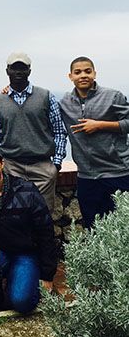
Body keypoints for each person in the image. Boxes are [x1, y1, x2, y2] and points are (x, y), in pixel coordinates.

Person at [0, 145, 58, 314]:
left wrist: (47, 275)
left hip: (25, 253)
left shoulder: (26, 190)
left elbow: (45, 232)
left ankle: (26, 285)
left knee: (21, 302)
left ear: (2, 163)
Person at [0, 52, 67, 213]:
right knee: (13, 215)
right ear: (7, 71)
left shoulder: (46, 96)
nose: (18, 72)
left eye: (22, 68)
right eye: (14, 68)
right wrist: (1, 166)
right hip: (11, 167)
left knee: (43, 215)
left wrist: (56, 164)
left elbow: (59, 131)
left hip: (42, 166)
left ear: (29, 71)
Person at [59, 56, 129, 228]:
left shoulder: (113, 96)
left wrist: (100, 125)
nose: (83, 75)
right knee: (92, 227)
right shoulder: (64, 103)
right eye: (78, 72)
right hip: (87, 176)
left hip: (117, 172)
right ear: (70, 76)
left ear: (95, 74)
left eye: (87, 71)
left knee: (123, 227)